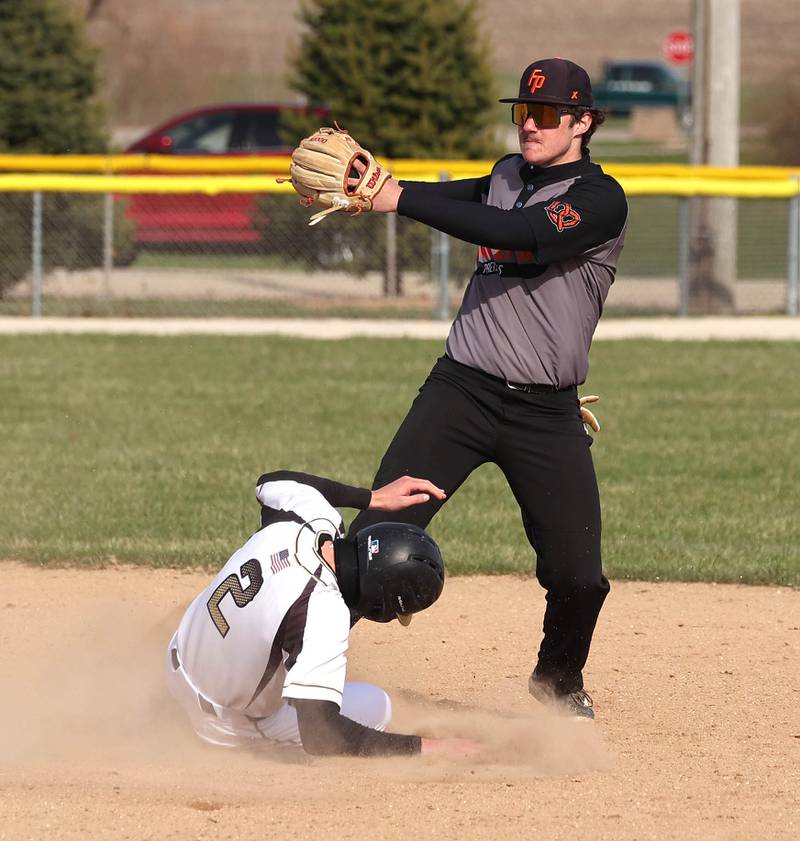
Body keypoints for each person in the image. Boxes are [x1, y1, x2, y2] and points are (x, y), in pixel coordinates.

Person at [347, 58, 629, 719]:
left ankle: (558, 680)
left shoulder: (598, 199)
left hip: (546, 414)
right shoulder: (506, 176)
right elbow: (459, 198)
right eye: (522, 112)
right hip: (462, 393)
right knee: (375, 542)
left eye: (547, 114)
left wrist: (398, 200)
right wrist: (377, 184)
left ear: (583, 122)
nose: (529, 125)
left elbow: (521, 234)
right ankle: (281, 662)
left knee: (579, 577)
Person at [165, 469, 477, 757]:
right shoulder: (324, 611)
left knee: (281, 646)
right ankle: (236, 739)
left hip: (176, 657)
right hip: (218, 721)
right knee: (376, 705)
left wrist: (373, 498)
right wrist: (426, 748)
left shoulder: (311, 518)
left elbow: (271, 481)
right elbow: (320, 733)